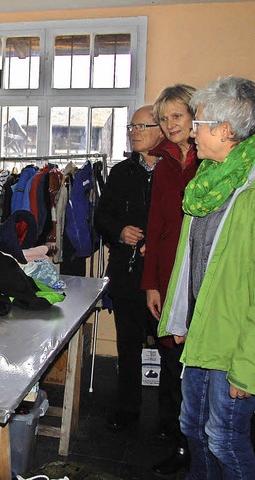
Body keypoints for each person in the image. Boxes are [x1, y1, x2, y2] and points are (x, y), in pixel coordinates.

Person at [158, 75, 255, 479]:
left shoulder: (248, 190)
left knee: (224, 439)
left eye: (198, 123)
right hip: (202, 330)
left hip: (234, 346)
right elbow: (196, 262)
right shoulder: (208, 183)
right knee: (193, 429)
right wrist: (182, 317)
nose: (191, 132)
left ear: (226, 130)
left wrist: (248, 367)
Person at [140, 84, 199, 475]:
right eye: (164, 119)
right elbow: (156, 224)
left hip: (202, 277)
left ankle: (204, 446)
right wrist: (151, 284)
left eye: (177, 116)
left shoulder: (213, 162)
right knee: (174, 364)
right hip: (168, 276)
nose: (170, 124)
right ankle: (181, 446)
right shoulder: (162, 165)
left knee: (201, 368)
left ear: (196, 117)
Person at [94, 105, 164, 431]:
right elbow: (102, 218)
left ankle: (170, 420)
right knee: (128, 345)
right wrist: (121, 231)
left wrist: (159, 243)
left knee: (170, 346)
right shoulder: (122, 172)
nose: (134, 132)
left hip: (164, 276)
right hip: (127, 273)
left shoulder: (177, 171)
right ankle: (127, 410)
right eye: (131, 127)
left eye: (142, 126)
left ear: (161, 129)